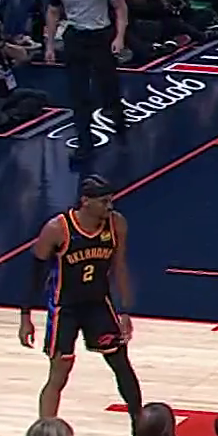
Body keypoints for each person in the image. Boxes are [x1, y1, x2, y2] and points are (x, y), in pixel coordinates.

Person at [18, 176, 141, 421]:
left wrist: (125, 310)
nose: (110, 207)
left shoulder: (116, 224)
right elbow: (34, 275)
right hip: (66, 308)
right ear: (86, 201)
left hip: (98, 304)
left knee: (121, 363)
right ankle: (46, 430)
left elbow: (120, 267)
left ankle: (139, 424)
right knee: (59, 373)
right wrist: (25, 316)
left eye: (111, 201)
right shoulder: (57, 229)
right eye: (104, 202)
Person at [42, 0, 127, 163]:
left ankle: (118, 115)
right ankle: (84, 142)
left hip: (101, 36)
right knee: (78, 93)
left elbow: (120, 7)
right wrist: (49, 45)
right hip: (76, 37)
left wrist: (119, 37)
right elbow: (53, 12)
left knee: (108, 85)